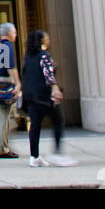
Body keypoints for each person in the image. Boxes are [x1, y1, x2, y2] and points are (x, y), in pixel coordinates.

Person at [21, 28, 76, 167]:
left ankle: (34, 156)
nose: (48, 39)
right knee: (58, 120)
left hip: (31, 97)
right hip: (44, 96)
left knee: (35, 126)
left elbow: (25, 74)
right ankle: (57, 153)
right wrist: (55, 88)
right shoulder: (44, 55)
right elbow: (48, 74)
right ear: (41, 40)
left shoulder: (27, 57)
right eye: (46, 37)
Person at [0, 21, 21, 158]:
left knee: (6, 117)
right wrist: (18, 84)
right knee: (5, 118)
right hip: (6, 85)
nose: (15, 35)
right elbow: (11, 67)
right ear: (8, 33)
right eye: (14, 32)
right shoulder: (8, 47)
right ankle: (3, 148)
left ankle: (4, 146)